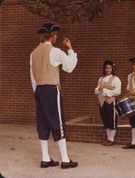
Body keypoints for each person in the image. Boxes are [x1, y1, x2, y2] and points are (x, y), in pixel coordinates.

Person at [30, 23, 78, 169]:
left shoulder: (33, 53)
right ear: (52, 36)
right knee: (58, 122)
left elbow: (32, 77)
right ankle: (65, 160)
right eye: (56, 34)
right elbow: (69, 67)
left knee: (43, 122)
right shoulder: (55, 51)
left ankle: (45, 159)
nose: (57, 36)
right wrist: (70, 49)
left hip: (39, 90)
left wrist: (37, 92)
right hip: (51, 90)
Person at [95, 60, 121, 146]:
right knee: (105, 120)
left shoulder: (116, 79)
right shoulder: (101, 78)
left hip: (110, 102)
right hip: (102, 102)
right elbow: (97, 89)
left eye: (109, 68)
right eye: (106, 68)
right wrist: (98, 89)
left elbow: (118, 91)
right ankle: (108, 138)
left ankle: (111, 139)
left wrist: (106, 91)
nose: (108, 69)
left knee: (112, 120)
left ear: (112, 69)